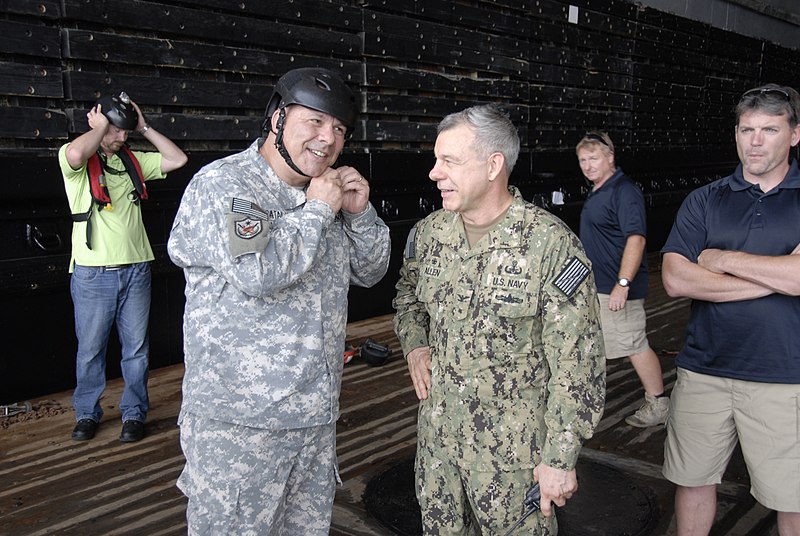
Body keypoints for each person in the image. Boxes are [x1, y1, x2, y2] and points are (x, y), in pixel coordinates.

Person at [167, 67, 390, 534]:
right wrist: (318, 211)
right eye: (315, 121)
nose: (328, 139)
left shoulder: (324, 192)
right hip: (240, 428)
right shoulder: (225, 186)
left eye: (339, 129)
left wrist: (359, 212)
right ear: (277, 118)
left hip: (313, 421)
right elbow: (259, 270)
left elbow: (370, 272)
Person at [393, 104, 606, 535]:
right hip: (438, 451)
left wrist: (559, 459)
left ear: (494, 166)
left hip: (513, 462)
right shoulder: (432, 233)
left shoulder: (549, 244)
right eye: (436, 160)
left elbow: (578, 361)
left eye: (449, 161)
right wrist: (416, 346)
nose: (434, 173)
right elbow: (408, 299)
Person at [661, 83, 800, 535]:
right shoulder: (705, 199)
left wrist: (720, 259)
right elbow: (676, 279)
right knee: (693, 480)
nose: (755, 141)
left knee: (792, 496)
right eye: (746, 130)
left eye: (769, 130)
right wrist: (777, 274)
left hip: (784, 375)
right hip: (704, 369)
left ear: (794, 135)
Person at [60, 91, 188, 443]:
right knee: (91, 350)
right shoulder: (77, 161)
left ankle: (134, 413)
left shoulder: (133, 160)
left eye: (124, 132)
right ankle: (87, 413)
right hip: (93, 272)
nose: (121, 138)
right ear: (101, 125)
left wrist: (144, 126)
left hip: (136, 270)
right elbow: (75, 153)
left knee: (136, 349)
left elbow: (177, 159)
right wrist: (100, 129)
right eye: (117, 131)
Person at [576, 131, 669, 427]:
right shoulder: (599, 190)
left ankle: (658, 404)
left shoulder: (623, 191)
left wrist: (622, 284)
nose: (588, 165)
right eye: (582, 160)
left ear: (610, 157)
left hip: (616, 289)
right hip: (597, 286)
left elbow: (636, 239)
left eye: (594, 158)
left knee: (634, 344)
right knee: (597, 345)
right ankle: (584, 403)